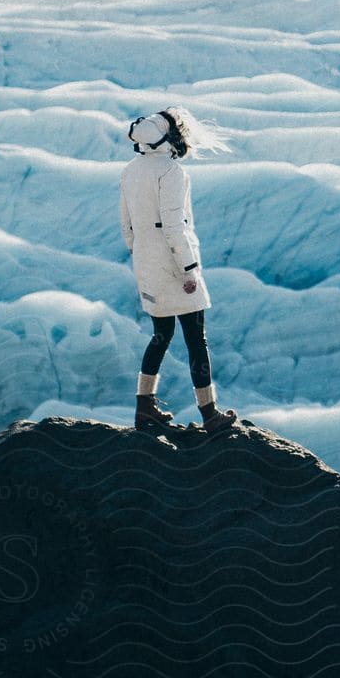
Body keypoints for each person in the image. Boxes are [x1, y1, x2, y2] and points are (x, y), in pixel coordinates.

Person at [119, 106, 238, 435]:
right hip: (174, 264)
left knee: (161, 334)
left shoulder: (131, 170)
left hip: (146, 260)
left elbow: (126, 225)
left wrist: (141, 254)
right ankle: (209, 413)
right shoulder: (171, 172)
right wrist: (188, 270)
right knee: (196, 339)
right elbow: (175, 225)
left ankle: (145, 407)